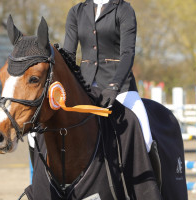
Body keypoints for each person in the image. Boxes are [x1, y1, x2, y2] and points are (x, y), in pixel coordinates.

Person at [63, 0, 153, 152]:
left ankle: (149, 176)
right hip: (85, 87)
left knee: (146, 138)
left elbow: (127, 54)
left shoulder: (124, 10)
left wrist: (114, 85)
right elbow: (68, 56)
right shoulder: (76, 12)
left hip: (121, 87)